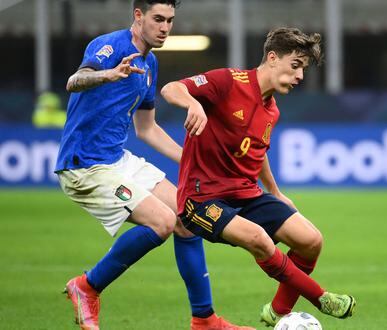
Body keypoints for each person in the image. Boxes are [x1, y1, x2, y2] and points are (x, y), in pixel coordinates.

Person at [55, 1, 253, 329]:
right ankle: (86, 287)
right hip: (84, 165)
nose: (165, 27)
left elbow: (146, 128)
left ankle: (204, 320)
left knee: (188, 217)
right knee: (162, 222)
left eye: (170, 20)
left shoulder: (150, 63)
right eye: (158, 19)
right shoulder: (110, 46)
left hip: (116, 159)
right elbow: (76, 80)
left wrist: (194, 159)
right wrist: (109, 74)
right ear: (138, 16)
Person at [160, 27, 357, 327]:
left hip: (244, 192)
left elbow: (256, 148)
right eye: (295, 66)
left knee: (311, 240)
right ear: (272, 57)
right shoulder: (228, 81)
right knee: (259, 239)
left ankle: (277, 312)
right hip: (200, 199)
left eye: (302, 70)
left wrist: (275, 192)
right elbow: (171, 88)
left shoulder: (271, 110)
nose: (300, 77)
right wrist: (192, 103)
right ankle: (321, 298)